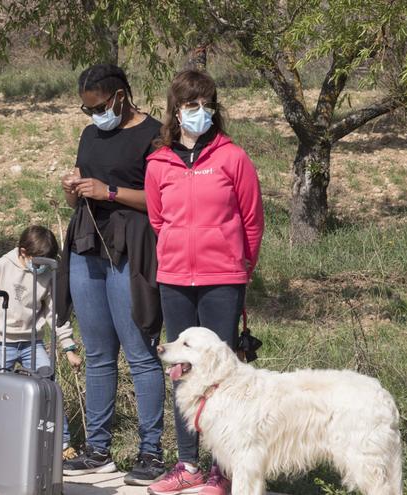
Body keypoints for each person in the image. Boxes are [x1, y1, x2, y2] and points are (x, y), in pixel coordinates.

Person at [144, 69, 264, 495]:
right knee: (183, 372)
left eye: (205, 104)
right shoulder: (158, 162)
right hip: (175, 278)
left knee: (221, 373)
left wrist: (239, 266)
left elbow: (251, 220)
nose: (199, 112)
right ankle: (187, 463)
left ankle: (222, 469)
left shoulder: (233, 157)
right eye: (190, 105)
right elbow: (159, 219)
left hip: (222, 279)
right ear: (175, 111)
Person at [55, 63, 166, 486]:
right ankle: (97, 449)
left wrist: (110, 192)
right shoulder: (90, 136)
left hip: (131, 248)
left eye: (99, 107)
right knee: (98, 353)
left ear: (121, 95)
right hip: (88, 246)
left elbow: (160, 199)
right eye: (87, 110)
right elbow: (84, 189)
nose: (94, 116)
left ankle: (151, 452)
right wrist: (74, 191)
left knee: (139, 351)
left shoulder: (153, 135)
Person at [0, 225, 83, 458]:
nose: (41, 268)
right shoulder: (4, 265)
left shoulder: (47, 273)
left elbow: (54, 314)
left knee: (48, 387)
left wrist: (69, 348)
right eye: (38, 262)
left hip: (31, 342)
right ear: (23, 251)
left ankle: (61, 442)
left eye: (45, 263)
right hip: (0, 341)